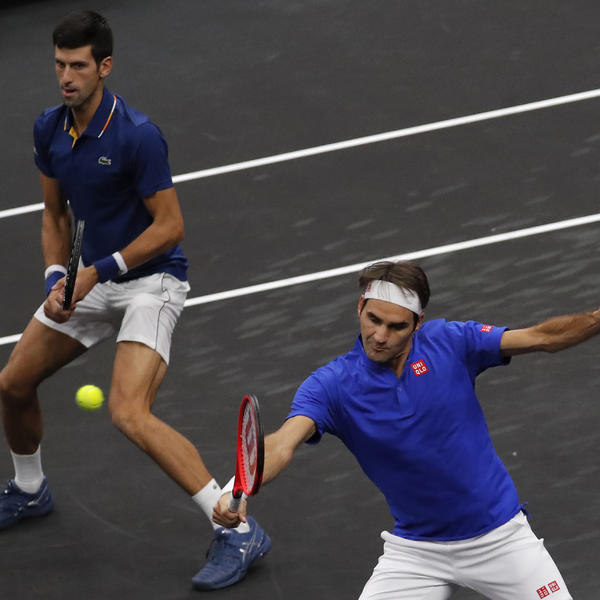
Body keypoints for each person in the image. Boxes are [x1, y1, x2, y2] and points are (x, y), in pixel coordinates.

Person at [0, 10, 269, 591]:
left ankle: (238, 528)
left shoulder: (137, 136)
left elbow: (170, 227)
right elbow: (54, 214)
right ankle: (29, 489)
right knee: (12, 383)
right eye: (59, 65)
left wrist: (98, 271)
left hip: (151, 282)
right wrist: (56, 277)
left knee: (127, 411)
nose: (65, 77)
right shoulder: (49, 127)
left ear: (105, 67)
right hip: (89, 279)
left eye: (78, 66)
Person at [214, 259, 600, 599]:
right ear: (360, 307)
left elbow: (543, 337)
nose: (380, 336)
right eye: (373, 319)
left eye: (396, 326)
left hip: (500, 539)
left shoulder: (452, 342)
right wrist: (237, 487)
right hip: (417, 553)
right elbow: (283, 442)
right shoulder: (331, 385)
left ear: (417, 323)